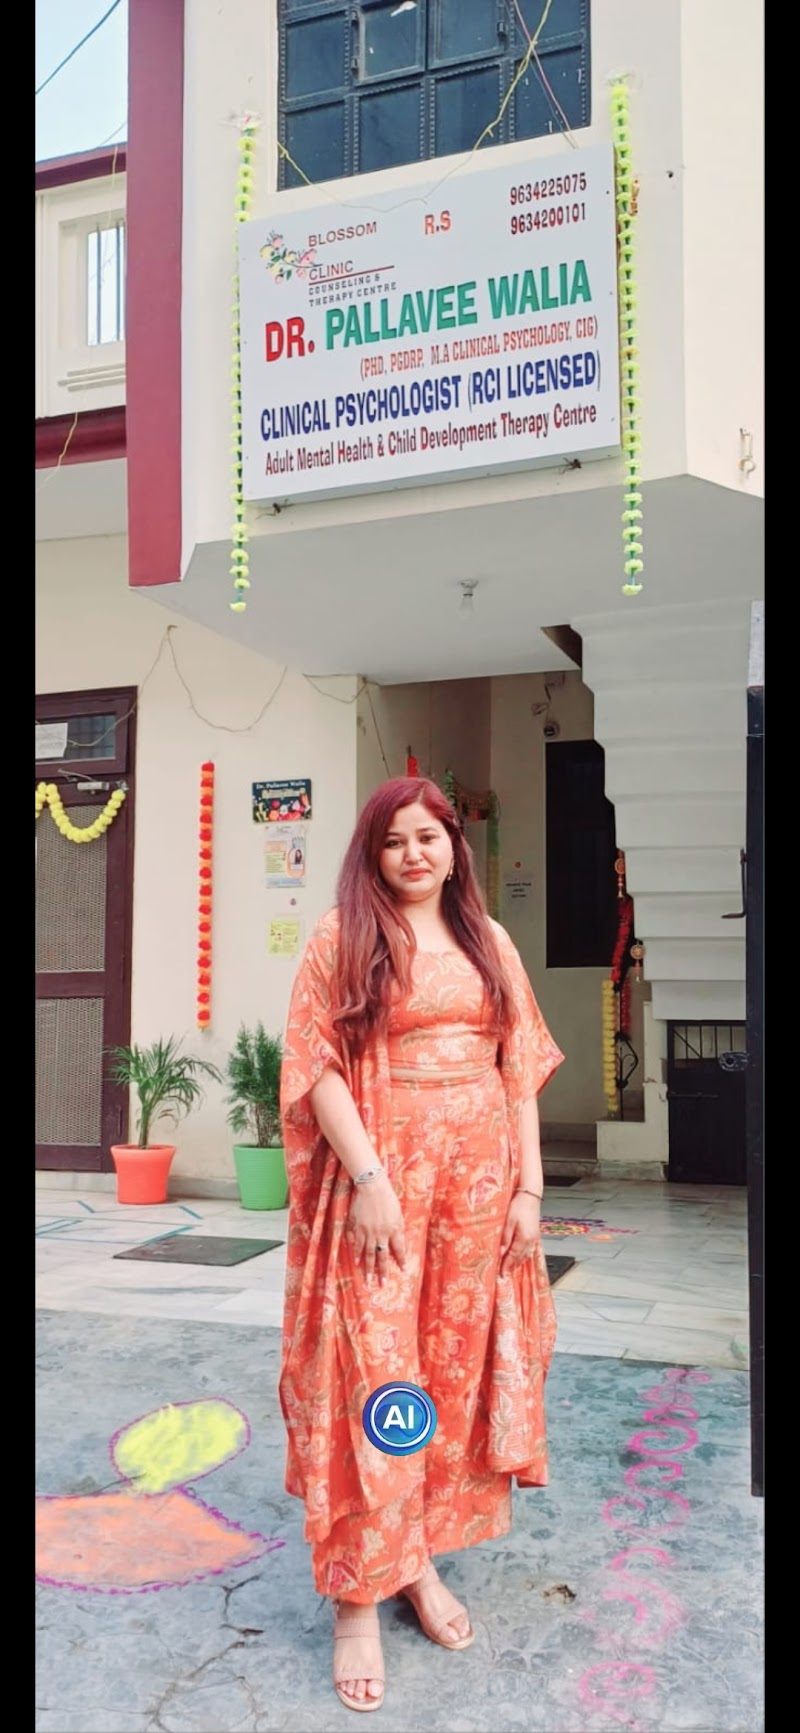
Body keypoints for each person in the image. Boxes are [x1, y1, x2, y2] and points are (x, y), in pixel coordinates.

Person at [279, 776, 564, 1713]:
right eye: (394, 839)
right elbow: (316, 1064)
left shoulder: (490, 941)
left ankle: (414, 1559)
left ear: (453, 847)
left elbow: (519, 1069)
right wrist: (368, 1181)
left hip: (477, 1198)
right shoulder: (342, 937)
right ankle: (357, 1594)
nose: (413, 853)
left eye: (428, 836)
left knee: (445, 1374)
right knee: (375, 1373)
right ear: (373, 852)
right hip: (384, 1192)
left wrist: (529, 1189)